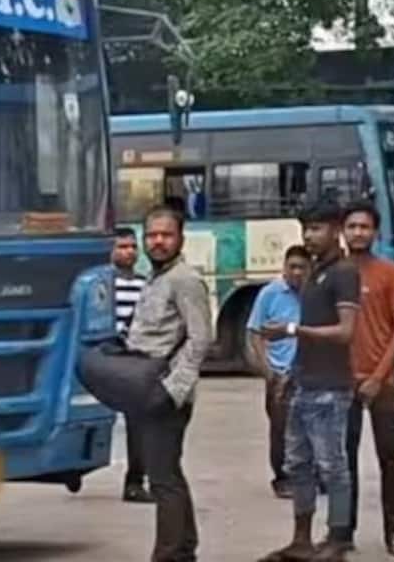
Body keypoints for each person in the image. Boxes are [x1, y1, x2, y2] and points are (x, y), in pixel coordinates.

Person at [260, 199, 360, 561]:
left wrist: (291, 329)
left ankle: (338, 539)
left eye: (316, 228)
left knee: (333, 466)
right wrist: (292, 374)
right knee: (297, 464)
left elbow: (346, 332)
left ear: (336, 230)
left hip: (332, 387)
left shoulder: (344, 273)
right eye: (305, 229)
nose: (309, 236)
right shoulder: (315, 273)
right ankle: (301, 538)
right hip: (304, 383)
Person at [124, 206, 214, 562]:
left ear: (181, 239)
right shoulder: (154, 278)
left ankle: (167, 554)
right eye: (152, 235)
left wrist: (174, 390)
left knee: (162, 479)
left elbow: (200, 339)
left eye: (166, 235)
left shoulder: (185, 280)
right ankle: (184, 549)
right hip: (146, 388)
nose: (158, 241)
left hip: (166, 394)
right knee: (168, 473)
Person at [340, 201, 394, 557]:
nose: (358, 233)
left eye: (365, 227)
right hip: (341, 383)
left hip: (382, 382)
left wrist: (377, 377)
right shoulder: (333, 274)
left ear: (375, 232)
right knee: (343, 460)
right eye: (352, 226)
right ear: (343, 231)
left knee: (391, 455)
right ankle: (342, 533)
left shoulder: (391, 274)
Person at [251, 247, 312, 499]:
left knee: (310, 429)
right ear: (284, 268)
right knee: (281, 430)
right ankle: (282, 478)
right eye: (292, 267)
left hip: (309, 373)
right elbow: (255, 332)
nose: (296, 272)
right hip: (280, 373)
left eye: (302, 268)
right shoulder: (270, 293)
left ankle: (310, 475)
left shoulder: (315, 294)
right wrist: (267, 371)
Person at [112, 226, 152, 503]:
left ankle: (135, 480)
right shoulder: (103, 284)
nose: (129, 252)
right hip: (107, 356)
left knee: (139, 423)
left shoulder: (145, 285)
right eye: (122, 247)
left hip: (134, 359)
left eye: (132, 247)